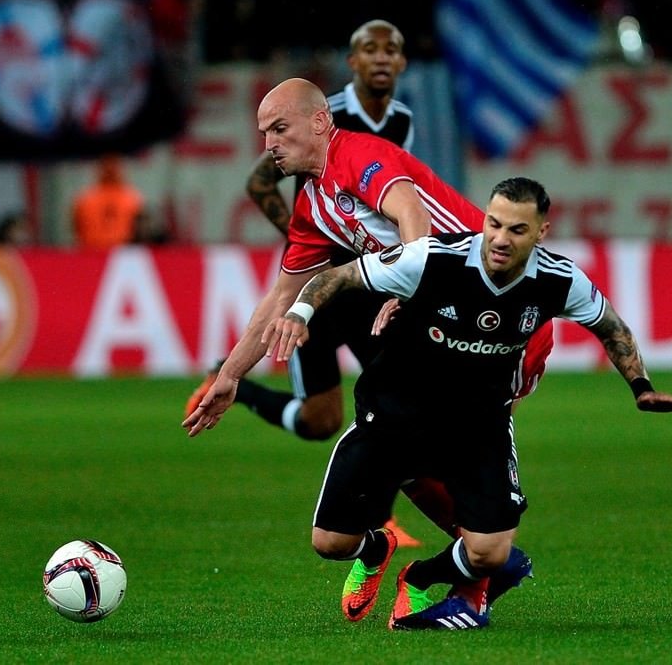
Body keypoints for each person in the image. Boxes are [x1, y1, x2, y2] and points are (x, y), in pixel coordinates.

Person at [185, 177, 672, 630]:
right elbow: (335, 277)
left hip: (478, 422)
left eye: (517, 230)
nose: (499, 238)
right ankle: (376, 546)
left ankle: (421, 576)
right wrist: (298, 313)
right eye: (493, 223)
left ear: (541, 233)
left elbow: (611, 326)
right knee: (330, 544)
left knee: (492, 552)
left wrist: (640, 386)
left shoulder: (559, 280)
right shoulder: (434, 259)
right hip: (394, 415)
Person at [184, 78, 552, 623]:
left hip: (503, 323)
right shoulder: (313, 205)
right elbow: (281, 299)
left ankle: (472, 576)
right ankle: (442, 560)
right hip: (438, 326)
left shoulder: (359, 156)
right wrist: (232, 376)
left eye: (279, 129)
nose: (269, 143)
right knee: (404, 447)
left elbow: (413, 219)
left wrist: (411, 295)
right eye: (263, 133)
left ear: (318, 122)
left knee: (458, 448)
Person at [71, 155, 145, 249]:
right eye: (106, 163)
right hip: (91, 254)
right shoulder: (84, 199)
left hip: (123, 256)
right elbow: (77, 230)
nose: (110, 168)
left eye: (114, 164)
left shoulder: (134, 199)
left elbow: (139, 233)